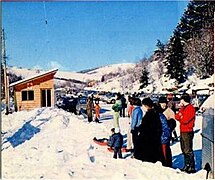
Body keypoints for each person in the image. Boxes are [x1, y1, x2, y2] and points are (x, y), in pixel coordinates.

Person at [135, 97, 162, 163]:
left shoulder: (150, 114)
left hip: (148, 140)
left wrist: (139, 128)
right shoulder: (155, 113)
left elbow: (146, 127)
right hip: (153, 139)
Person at [175, 93, 196, 173]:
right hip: (183, 130)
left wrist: (181, 116)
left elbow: (185, 120)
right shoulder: (183, 108)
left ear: (184, 100)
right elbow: (177, 116)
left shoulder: (190, 108)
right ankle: (187, 165)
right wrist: (181, 115)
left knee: (188, 149)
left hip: (188, 131)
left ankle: (191, 167)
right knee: (183, 149)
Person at [156, 97, 172, 167]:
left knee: (165, 153)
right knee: (164, 154)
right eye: (162, 104)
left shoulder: (167, 111)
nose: (164, 105)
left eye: (165, 103)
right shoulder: (160, 113)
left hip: (163, 137)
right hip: (162, 137)